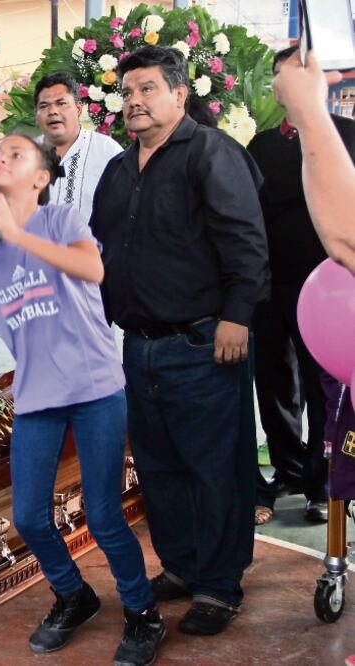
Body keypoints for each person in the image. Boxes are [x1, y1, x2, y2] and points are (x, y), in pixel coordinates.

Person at [0, 133, 164, 666]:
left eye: (15, 154)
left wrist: (14, 233)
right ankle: (74, 595)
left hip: (96, 389)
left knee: (103, 517)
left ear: (41, 178)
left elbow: (93, 270)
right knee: (28, 517)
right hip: (37, 397)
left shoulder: (61, 220)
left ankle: (143, 612)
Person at [90, 46, 269, 636]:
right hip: (136, 346)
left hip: (203, 342)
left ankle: (219, 584)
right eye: (126, 92)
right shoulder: (119, 170)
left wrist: (238, 315)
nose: (134, 102)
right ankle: (184, 566)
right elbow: (98, 251)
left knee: (215, 467)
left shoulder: (213, 154)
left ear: (179, 93)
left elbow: (245, 241)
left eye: (146, 89)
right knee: (159, 468)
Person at [248, 46, 355, 525]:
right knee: (273, 381)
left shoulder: (346, 135)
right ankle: (288, 469)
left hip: (329, 291)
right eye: (280, 74)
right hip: (271, 281)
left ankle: (321, 479)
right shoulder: (262, 144)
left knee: (323, 387)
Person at [273, 50, 355, 275]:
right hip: (280, 266)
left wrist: (308, 108)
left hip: (330, 270)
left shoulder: (347, 132)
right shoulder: (262, 143)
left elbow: (347, 239)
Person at [34, 72, 123, 215]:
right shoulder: (23, 153)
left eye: (61, 103)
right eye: (44, 106)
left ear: (78, 108)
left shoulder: (107, 151)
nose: (53, 111)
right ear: (36, 114)